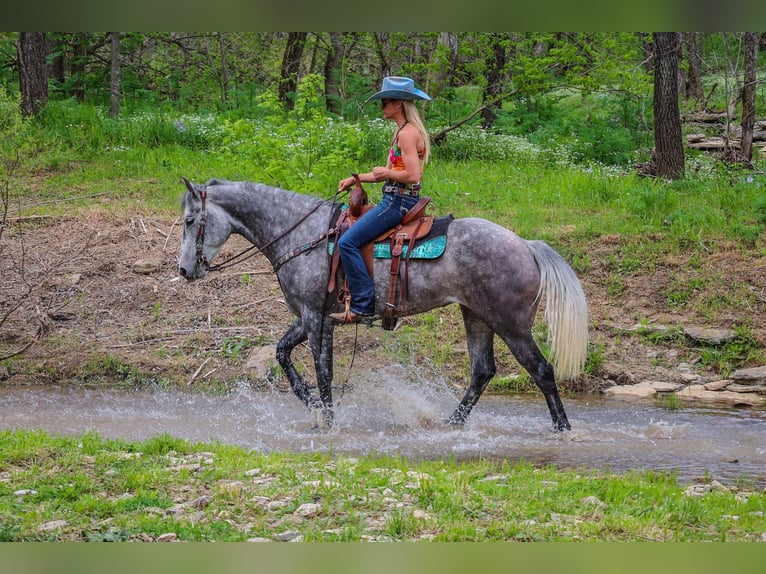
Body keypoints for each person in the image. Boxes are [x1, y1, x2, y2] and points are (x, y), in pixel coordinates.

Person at [329, 76, 431, 324]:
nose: (382, 107)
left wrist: (387, 174)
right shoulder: (401, 132)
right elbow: (385, 174)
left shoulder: (407, 134)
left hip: (398, 202)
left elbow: (413, 174)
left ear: (399, 104)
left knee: (348, 241)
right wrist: (355, 179)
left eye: (384, 102)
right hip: (394, 197)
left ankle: (363, 304)